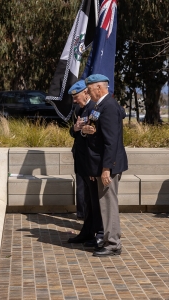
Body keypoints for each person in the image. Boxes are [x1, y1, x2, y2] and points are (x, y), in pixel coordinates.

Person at [81, 74, 128, 257]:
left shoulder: (108, 106)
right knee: (105, 204)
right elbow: (95, 131)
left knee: (109, 204)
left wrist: (106, 168)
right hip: (101, 164)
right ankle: (109, 239)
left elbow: (111, 142)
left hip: (108, 165)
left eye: (90, 89)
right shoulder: (99, 105)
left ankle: (113, 243)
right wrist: (85, 130)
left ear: (99, 88)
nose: (87, 92)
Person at [66, 80, 104, 245]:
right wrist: (75, 130)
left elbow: (97, 135)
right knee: (85, 199)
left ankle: (99, 232)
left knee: (93, 199)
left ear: (86, 93)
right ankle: (88, 231)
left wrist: (82, 132)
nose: (74, 100)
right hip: (81, 160)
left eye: (76, 96)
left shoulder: (94, 109)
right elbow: (73, 130)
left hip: (90, 162)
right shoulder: (78, 109)